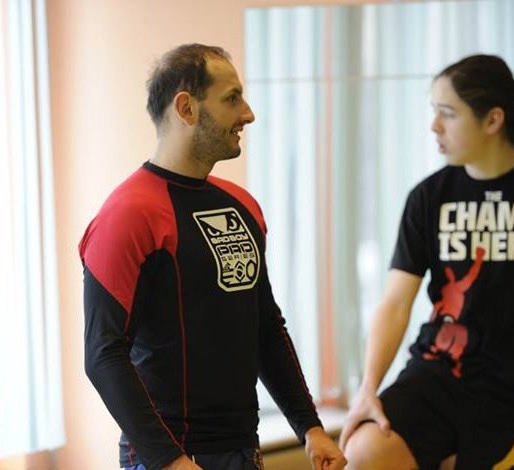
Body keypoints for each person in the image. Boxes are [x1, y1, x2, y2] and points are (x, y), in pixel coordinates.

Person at [79, 43, 346, 470]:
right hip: (169, 456)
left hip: (242, 448)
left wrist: (309, 427)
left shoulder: (242, 206)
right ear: (186, 108)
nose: (248, 114)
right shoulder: (127, 216)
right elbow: (103, 353)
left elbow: (265, 327)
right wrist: (170, 460)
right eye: (232, 98)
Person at [339, 54, 514, 470]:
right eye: (434, 111)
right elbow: (396, 303)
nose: (434, 126)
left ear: (493, 120)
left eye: (447, 113)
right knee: (364, 451)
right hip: (442, 371)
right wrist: (368, 388)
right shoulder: (429, 197)